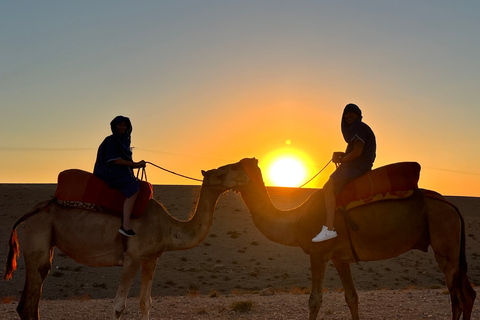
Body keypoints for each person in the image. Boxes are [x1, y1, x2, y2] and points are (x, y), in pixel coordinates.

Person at [312, 103, 376, 242]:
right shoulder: (358, 130)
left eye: (352, 113)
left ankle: (329, 228)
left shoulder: (359, 128)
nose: (348, 116)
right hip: (358, 165)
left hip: (358, 166)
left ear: (358, 115)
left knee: (328, 188)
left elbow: (357, 152)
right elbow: (355, 151)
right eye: (346, 113)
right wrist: (343, 156)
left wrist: (343, 160)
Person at [94, 116, 146, 237]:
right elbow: (115, 160)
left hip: (121, 171)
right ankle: (125, 225)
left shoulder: (124, 142)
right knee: (133, 188)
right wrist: (135, 164)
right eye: (120, 125)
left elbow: (125, 161)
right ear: (114, 127)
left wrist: (137, 165)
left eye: (124, 125)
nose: (122, 127)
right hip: (110, 171)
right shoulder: (111, 140)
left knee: (139, 184)